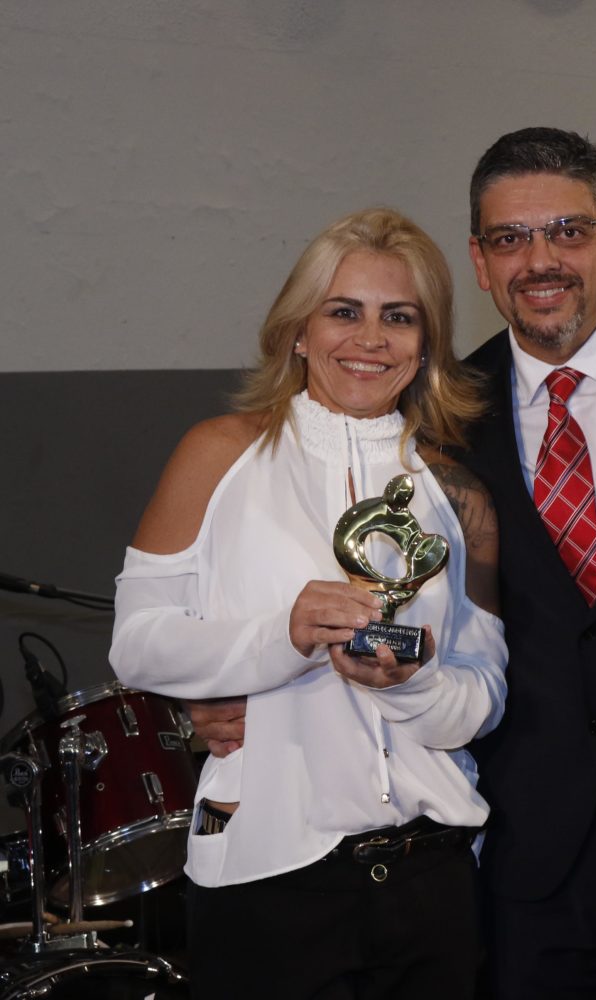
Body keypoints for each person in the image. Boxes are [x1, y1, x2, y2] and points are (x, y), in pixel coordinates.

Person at [190, 128, 596, 999]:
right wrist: (223, 692)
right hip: (524, 860)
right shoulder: (434, 421)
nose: (540, 261)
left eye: (568, 232)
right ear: (479, 261)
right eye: (510, 238)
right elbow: (347, 600)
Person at [109, 207, 507, 1000]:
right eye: (343, 312)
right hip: (268, 881)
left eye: (399, 317)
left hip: (430, 879)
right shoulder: (218, 454)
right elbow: (137, 645)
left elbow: (483, 700)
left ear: (426, 343)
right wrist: (282, 637)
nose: (371, 339)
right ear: (298, 330)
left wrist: (412, 684)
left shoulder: (458, 493)